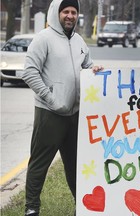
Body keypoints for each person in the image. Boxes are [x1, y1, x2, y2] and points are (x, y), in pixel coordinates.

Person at [22, 0, 103, 215]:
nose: (70, 15)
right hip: (50, 114)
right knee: (40, 163)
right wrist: (51, 99)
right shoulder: (43, 39)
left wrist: (94, 69)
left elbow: (87, 66)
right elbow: (30, 73)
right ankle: (31, 207)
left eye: (73, 12)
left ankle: (83, 206)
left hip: (75, 114)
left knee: (76, 165)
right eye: (65, 11)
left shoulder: (79, 41)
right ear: (55, 13)